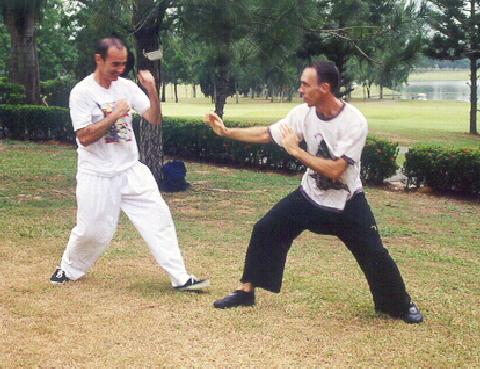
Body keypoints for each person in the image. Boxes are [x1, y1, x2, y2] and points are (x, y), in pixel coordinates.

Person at [204, 61, 423, 323]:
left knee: (374, 253)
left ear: (325, 87)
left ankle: (399, 304)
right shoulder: (302, 113)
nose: (300, 90)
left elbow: (335, 171)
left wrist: (295, 150)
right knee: (265, 229)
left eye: (305, 85)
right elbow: (266, 134)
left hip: (346, 202)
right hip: (309, 196)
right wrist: (227, 132)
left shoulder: (354, 122)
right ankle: (245, 291)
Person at [50, 37, 208, 292]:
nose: (120, 69)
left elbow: (154, 119)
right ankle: (68, 268)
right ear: (98, 59)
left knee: (159, 218)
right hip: (97, 174)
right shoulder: (82, 92)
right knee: (93, 231)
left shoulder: (126, 87)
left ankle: (181, 277)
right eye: (115, 64)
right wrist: (114, 115)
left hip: (131, 170)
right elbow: (85, 137)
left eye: (123, 64)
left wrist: (152, 90)